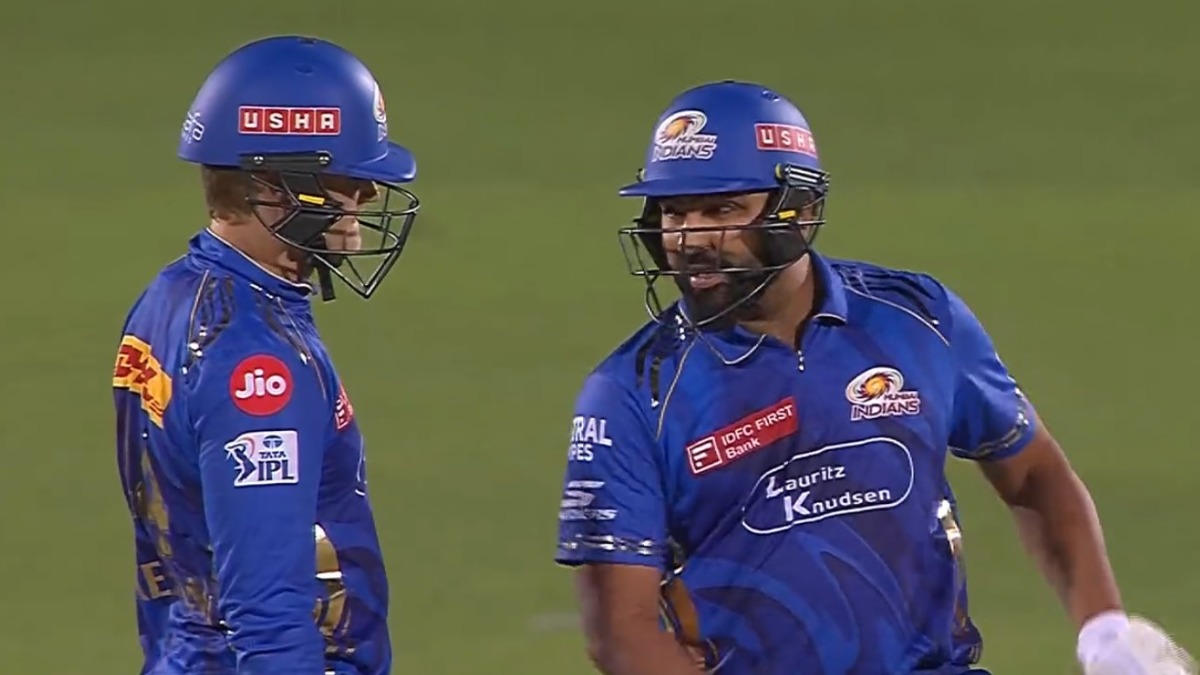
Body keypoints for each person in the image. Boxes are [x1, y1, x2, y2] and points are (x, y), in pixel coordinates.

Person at [554, 80, 1195, 674]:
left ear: (798, 211)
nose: (690, 239)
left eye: (721, 209)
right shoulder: (631, 393)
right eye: (674, 212)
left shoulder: (918, 320)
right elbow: (619, 631)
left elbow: (1032, 474)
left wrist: (1104, 630)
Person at [111, 35, 419, 675]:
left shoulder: (171, 296)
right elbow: (268, 612)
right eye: (348, 179)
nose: (368, 194)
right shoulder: (257, 365)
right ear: (276, 188)